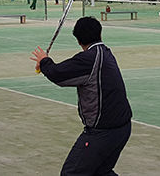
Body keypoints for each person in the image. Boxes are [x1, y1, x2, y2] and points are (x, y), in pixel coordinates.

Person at [30, 17, 132, 176]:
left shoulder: (90, 59)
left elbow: (58, 75)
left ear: (78, 40)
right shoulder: (104, 52)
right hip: (122, 128)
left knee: (71, 173)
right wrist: (46, 66)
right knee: (100, 172)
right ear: (100, 34)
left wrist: (44, 61)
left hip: (104, 131)